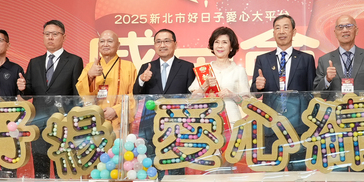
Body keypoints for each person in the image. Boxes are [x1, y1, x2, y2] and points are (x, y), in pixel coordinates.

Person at [19, 20, 84, 179]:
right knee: (40, 168)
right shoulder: (35, 62)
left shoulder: (74, 61)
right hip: (39, 122)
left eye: (55, 34)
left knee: (62, 167)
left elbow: (77, 94)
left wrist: (73, 120)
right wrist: (22, 88)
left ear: (64, 37)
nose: (50, 38)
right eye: (47, 34)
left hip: (63, 123)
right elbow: (28, 94)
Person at [252, 15, 316, 170]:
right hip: (272, 127)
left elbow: (312, 93)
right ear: (273, 32)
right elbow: (255, 93)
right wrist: (258, 86)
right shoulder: (262, 60)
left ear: (294, 32)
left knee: (298, 174)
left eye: (286, 27)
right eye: (277, 28)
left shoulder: (306, 59)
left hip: (298, 127)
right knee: (273, 174)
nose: (281, 31)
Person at [133, 28, 196, 163]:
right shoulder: (146, 67)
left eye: (167, 41)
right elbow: (136, 94)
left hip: (178, 123)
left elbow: (192, 96)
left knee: (177, 161)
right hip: (151, 123)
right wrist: (141, 80)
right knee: (151, 160)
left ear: (175, 44)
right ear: (154, 45)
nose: (162, 45)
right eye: (158, 42)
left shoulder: (187, 67)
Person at [76, 30, 137, 130]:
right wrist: (90, 76)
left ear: (118, 45)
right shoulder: (90, 67)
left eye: (110, 41)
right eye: (102, 41)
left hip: (118, 123)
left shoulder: (129, 67)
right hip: (95, 121)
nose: (105, 44)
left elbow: (134, 96)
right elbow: (81, 94)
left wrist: (116, 110)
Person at [190, 26, 250, 124]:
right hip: (208, 122)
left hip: (232, 122)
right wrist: (205, 86)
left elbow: (246, 104)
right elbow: (192, 100)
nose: (220, 46)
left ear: (231, 47)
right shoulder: (204, 70)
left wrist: (233, 95)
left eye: (224, 42)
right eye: (217, 42)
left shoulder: (239, 71)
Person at [314, 14, 364, 92]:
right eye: (340, 27)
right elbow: (316, 92)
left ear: (356, 31)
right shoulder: (324, 60)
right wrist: (327, 79)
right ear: (335, 33)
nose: (345, 30)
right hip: (336, 100)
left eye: (349, 26)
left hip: (362, 100)